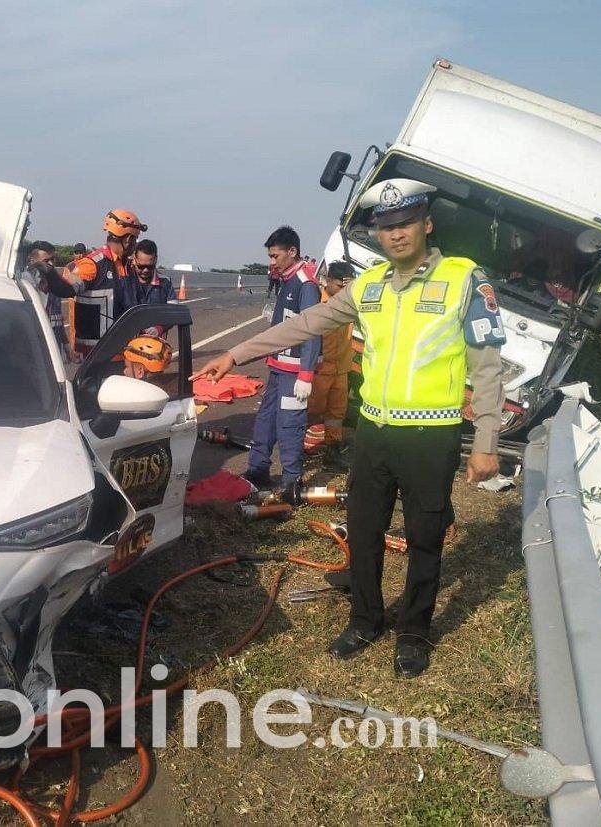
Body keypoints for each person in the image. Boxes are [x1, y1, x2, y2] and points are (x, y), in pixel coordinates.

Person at [191, 178, 506, 677]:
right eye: (386, 226)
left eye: (405, 223)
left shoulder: (464, 280)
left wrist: (486, 442)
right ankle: (365, 621)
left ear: (426, 225)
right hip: (374, 434)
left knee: (425, 537)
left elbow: (488, 367)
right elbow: (304, 324)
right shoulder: (371, 285)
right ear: (378, 234)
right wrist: (235, 353)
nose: (397, 234)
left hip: (432, 436)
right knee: (364, 532)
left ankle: (414, 632)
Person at [241, 226, 321, 495]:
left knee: (290, 423)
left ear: (292, 252)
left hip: (294, 372)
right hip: (278, 367)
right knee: (265, 420)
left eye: (275, 256)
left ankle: (291, 481)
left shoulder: (305, 284)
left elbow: (312, 329)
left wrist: (306, 374)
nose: (271, 262)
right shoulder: (287, 279)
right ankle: (258, 469)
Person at [44, 210, 146, 355]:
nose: (135, 245)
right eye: (135, 240)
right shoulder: (92, 264)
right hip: (98, 355)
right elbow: (66, 289)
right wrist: (48, 271)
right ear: (128, 239)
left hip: (124, 351)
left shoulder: (128, 267)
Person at [304, 260, 356, 468]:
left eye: (347, 286)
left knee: (337, 412)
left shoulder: (350, 303)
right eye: (340, 286)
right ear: (329, 281)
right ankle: (302, 448)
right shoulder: (315, 302)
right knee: (312, 411)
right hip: (320, 370)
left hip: (341, 369)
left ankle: (332, 450)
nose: (343, 290)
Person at [23, 240, 73, 361]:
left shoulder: (54, 282)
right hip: (36, 350)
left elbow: (57, 319)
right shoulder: (26, 283)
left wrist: (66, 345)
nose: (51, 264)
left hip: (55, 348)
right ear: (32, 261)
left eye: (53, 259)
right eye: (46, 261)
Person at [117, 239, 176, 331]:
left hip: (154, 342)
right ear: (134, 259)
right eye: (141, 266)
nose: (145, 270)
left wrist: (159, 328)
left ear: (155, 260)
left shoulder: (165, 282)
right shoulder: (123, 279)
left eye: (150, 267)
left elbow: (173, 312)